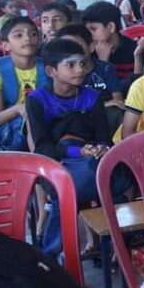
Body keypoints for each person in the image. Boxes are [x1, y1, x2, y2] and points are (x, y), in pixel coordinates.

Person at [25, 39, 120, 253]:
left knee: (111, 180)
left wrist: (100, 148)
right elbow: (43, 147)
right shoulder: (37, 100)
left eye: (82, 63)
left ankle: (115, 248)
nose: (80, 69)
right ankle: (54, 253)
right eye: (71, 65)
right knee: (66, 188)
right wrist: (78, 151)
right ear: (51, 71)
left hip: (91, 159)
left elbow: (103, 138)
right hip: (57, 162)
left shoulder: (92, 97)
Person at [0, 17, 44, 150]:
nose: (27, 38)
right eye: (19, 35)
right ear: (5, 45)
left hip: (43, 120)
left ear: (40, 40)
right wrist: (20, 108)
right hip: (8, 129)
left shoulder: (48, 67)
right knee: (30, 114)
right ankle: (38, 158)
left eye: (33, 34)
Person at [83, 2, 137, 82]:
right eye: (87, 30)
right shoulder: (90, 51)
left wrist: (104, 63)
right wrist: (103, 61)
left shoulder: (134, 50)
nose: (89, 34)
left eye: (93, 29)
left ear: (111, 27)